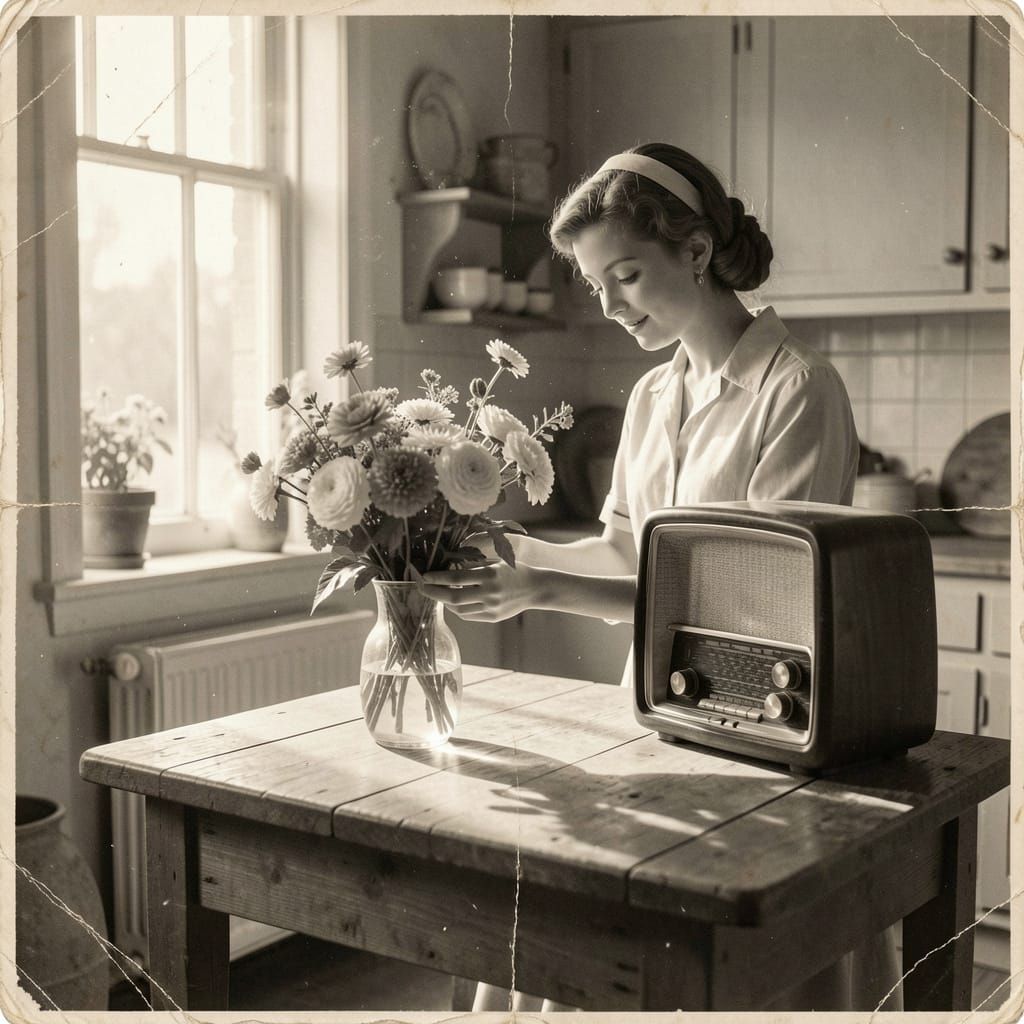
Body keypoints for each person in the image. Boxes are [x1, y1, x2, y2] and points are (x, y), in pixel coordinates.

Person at [421, 142, 895, 1013]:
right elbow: (625, 551)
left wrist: (548, 592)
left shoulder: (797, 391)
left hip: (761, 726)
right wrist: (520, 556)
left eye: (626, 276)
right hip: (656, 712)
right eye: (595, 285)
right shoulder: (651, 398)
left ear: (698, 252)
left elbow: (755, 605)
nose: (607, 306)